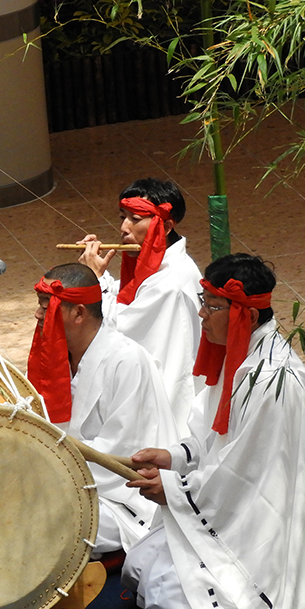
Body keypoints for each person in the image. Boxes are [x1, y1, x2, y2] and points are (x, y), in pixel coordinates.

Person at [123, 253, 305, 609]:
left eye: (212, 306)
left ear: (247, 316)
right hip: (232, 509)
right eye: (202, 302)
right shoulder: (241, 356)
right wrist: (172, 457)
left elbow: (248, 477)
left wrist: (173, 489)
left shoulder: (277, 379)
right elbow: (213, 438)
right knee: (140, 565)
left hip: (262, 524)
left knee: (167, 591)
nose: (201, 315)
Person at [28, 263, 179, 556]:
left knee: (39, 524)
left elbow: (122, 456)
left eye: (46, 308)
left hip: (120, 500)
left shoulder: (127, 361)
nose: (37, 315)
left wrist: (48, 473)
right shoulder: (58, 357)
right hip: (68, 478)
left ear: (79, 313)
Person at [78, 178, 202, 435]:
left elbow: (122, 328)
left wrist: (96, 280)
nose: (124, 228)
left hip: (167, 404)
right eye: (123, 217)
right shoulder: (167, 266)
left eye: (135, 219)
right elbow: (131, 300)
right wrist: (102, 279)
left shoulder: (172, 282)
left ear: (165, 226)